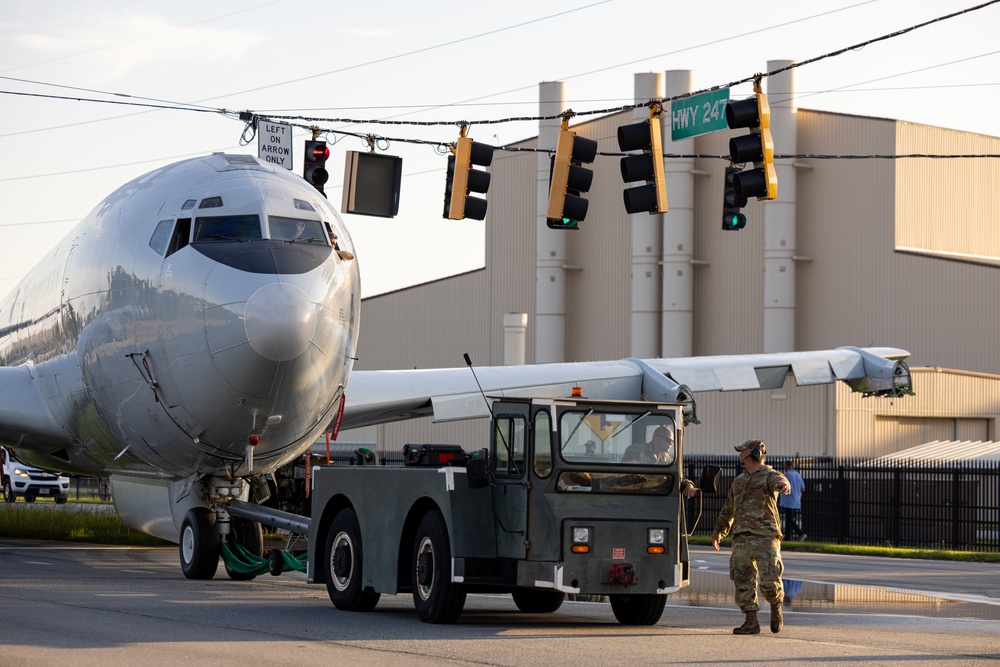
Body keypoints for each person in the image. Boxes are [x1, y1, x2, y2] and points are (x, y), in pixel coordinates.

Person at [711, 438, 791, 635]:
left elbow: (779, 481)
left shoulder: (769, 475)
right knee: (743, 580)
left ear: (755, 454)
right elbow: (728, 509)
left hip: (765, 536)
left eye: (743, 452)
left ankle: (775, 607)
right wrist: (719, 532)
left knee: (770, 580)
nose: (740, 455)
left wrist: (783, 485)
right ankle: (751, 621)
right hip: (741, 538)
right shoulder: (738, 481)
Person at [621, 427, 697, 498]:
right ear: (656, 438)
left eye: (672, 441)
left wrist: (688, 484)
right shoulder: (637, 450)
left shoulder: (667, 458)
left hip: (656, 498)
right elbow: (624, 474)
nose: (671, 444)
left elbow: (677, 476)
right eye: (668, 440)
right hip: (634, 496)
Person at [778, 460, 806, 541]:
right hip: (797, 500)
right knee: (789, 519)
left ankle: (800, 533)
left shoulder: (786, 475)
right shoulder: (798, 474)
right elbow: (803, 488)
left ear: (786, 465)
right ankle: (787, 537)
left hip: (788, 500)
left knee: (789, 519)